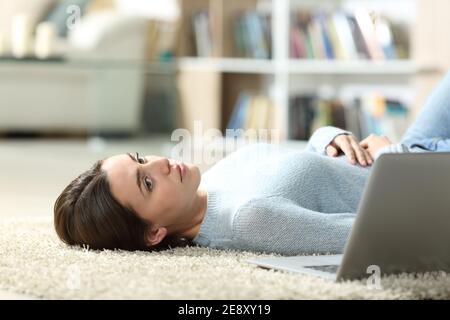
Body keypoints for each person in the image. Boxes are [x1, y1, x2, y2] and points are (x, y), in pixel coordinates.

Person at [54, 71, 450, 256]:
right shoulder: (249, 219)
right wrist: (389, 159)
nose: (159, 164)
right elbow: (388, 235)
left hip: (409, 148)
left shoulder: (211, 182)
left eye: (141, 159)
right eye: (147, 184)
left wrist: (329, 137)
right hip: (431, 174)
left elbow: (309, 163)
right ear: (153, 233)